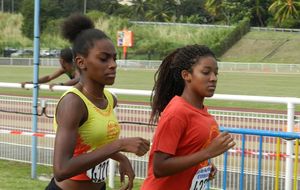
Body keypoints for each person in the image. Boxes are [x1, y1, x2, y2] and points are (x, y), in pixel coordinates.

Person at [45, 14, 150, 190]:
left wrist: (121, 158)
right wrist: (121, 144)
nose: (113, 65)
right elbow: (61, 169)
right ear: (81, 62)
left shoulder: (110, 99)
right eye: (104, 59)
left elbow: (95, 145)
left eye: (114, 58)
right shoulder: (74, 103)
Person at [141, 44, 236, 190]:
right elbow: (159, 168)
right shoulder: (177, 112)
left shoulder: (203, 112)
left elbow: (189, 153)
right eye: (206, 72)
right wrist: (207, 153)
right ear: (186, 75)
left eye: (216, 73)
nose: (213, 78)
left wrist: (203, 166)